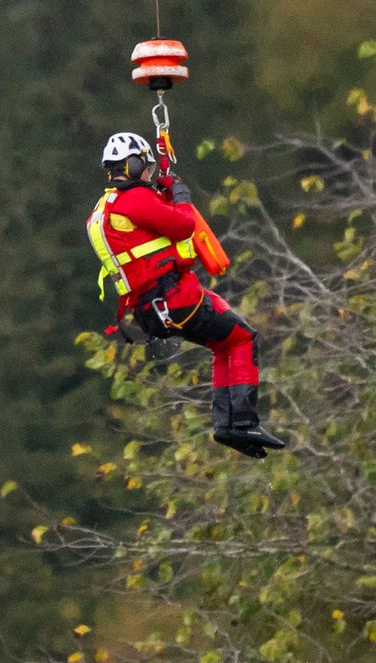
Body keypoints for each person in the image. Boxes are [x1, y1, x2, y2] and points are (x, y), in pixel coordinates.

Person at [85, 130, 283, 455]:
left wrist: (162, 189)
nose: (148, 174)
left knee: (225, 345)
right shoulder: (135, 199)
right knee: (243, 338)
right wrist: (181, 196)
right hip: (177, 300)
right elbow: (183, 226)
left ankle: (227, 426)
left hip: (151, 313)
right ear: (133, 166)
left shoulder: (102, 211)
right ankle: (241, 422)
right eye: (146, 168)